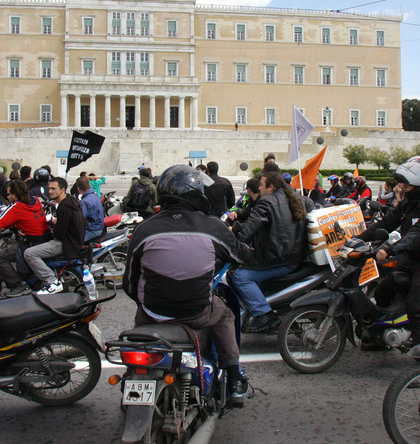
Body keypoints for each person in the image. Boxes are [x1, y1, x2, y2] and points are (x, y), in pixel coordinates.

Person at [124, 165, 252, 405]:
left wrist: (148, 305)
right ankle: (234, 376)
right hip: (197, 312)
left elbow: (129, 283)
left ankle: (130, 384)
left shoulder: (144, 229)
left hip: (152, 313)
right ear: (196, 193)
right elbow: (239, 255)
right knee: (225, 315)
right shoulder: (213, 227)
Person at [357, 160, 420, 348]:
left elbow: (419, 234)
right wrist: (358, 238)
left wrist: (390, 250)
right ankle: (381, 339)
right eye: (402, 183)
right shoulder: (409, 202)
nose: (402, 187)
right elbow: (387, 223)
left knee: (414, 308)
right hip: (410, 259)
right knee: (381, 293)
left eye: (407, 184)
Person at [231, 171, 306, 332]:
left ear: (270, 187)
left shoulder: (266, 202)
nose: (259, 187)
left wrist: (233, 245)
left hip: (277, 258)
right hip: (292, 254)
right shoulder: (294, 198)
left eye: (261, 184)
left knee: (239, 276)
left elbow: (248, 230)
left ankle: (263, 313)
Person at [0, 179, 49, 298]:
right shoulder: (35, 200)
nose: (7, 196)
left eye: (9, 194)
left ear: (15, 195)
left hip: (29, 243)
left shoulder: (17, 207)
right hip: (42, 239)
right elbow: (26, 219)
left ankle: (17, 285)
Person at [24, 177, 86, 295]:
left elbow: (59, 233)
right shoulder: (71, 201)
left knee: (29, 253)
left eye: (53, 189)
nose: (50, 191)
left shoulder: (63, 207)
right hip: (74, 240)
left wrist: (53, 227)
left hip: (66, 244)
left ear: (62, 190)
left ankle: (52, 281)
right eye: (49, 189)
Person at [77, 176, 105, 243]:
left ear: (78, 189)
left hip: (92, 230)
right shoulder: (94, 195)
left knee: (71, 242)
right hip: (99, 227)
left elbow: (79, 219)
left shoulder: (85, 202)